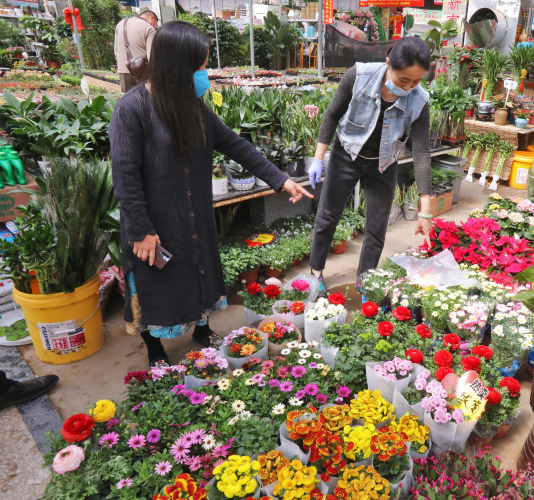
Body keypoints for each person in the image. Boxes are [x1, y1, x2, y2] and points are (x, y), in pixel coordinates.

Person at [109, 21, 312, 367]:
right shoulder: (132, 110)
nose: (205, 74)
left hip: (194, 215)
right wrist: (142, 230)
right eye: (200, 66)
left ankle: (202, 330)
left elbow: (235, 144)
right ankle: (155, 348)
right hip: (153, 223)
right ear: (177, 66)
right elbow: (124, 177)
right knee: (157, 283)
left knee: (198, 271)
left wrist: (281, 180)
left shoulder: (192, 107)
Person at [307, 37, 432, 294]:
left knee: (376, 227)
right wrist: (319, 158)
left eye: (416, 82)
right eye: (403, 80)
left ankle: (366, 282)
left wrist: (426, 211)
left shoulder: (420, 100)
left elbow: (421, 152)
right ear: (388, 64)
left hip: (383, 164)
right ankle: (315, 272)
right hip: (347, 153)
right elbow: (332, 114)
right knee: (328, 216)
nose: (408, 88)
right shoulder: (359, 75)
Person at [114, 9, 158, 93]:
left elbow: (116, 50)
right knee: (145, 102)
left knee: (128, 101)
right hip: (142, 73)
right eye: (155, 24)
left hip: (123, 70)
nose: (154, 27)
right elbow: (151, 56)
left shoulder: (120, 24)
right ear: (151, 18)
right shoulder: (148, 28)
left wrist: (121, 66)